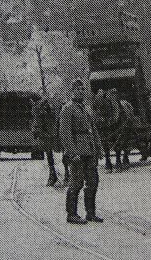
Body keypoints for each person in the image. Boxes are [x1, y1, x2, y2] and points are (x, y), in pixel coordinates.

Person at [59, 79, 104, 225]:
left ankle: (90, 213)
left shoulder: (86, 109)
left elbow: (93, 130)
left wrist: (99, 148)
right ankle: (71, 214)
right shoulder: (67, 109)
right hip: (77, 153)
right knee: (76, 183)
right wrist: (72, 152)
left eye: (82, 89)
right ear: (72, 91)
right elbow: (65, 134)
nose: (81, 91)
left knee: (93, 182)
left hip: (89, 152)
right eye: (77, 89)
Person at [31, 91, 69, 186]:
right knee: (48, 152)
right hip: (46, 131)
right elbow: (36, 119)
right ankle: (52, 174)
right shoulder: (39, 108)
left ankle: (67, 172)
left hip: (57, 129)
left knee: (65, 151)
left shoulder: (59, 108)